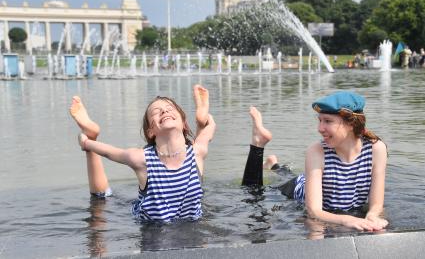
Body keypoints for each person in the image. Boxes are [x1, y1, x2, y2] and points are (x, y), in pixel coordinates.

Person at [242, 91, 388, 231]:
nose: (319, 128)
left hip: (313, 181)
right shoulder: (316, 151)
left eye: (328, 121)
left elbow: (376, 204)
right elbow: (314, 212)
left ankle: (273, 165)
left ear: (351, 124)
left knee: (293, 175)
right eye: (319, 120)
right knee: (253, 191)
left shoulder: (376, 150)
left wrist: (372, 216)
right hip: (297, 190)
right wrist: (348, 220)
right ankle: (259, 145)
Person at [69, 85, 216, 222]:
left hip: (191, 226)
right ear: (150, 132)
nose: (164, 111)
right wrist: (86, 143)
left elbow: (208, 131)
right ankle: (92, 134)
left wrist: (201, 119)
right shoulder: (142, 159)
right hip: (152, 228)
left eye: (170, 108)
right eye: (156, 112)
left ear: (184, 123)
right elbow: (110, 152)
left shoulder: (197, 152)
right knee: (102, 199)